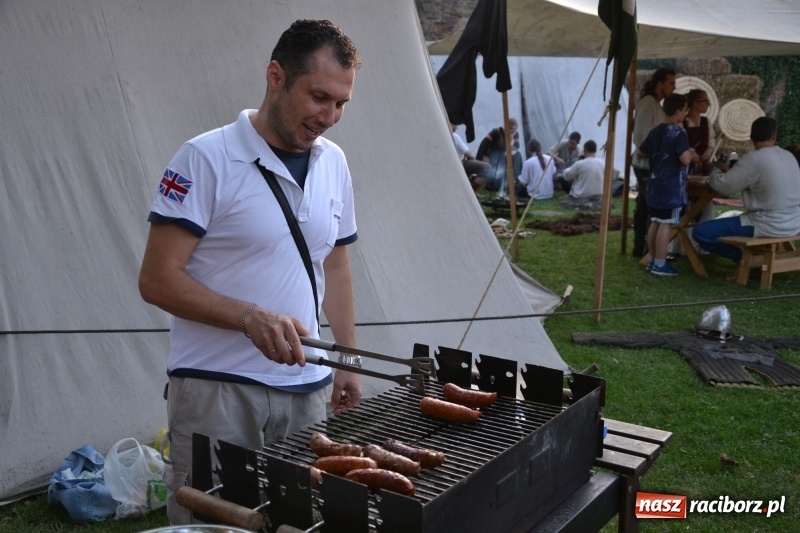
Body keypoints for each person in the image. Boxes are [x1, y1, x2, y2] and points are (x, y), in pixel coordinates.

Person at [137, 19, 362, 525]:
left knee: (299, 523)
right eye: (319, 97)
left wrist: (345, 355)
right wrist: (249, 318)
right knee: (215, 524)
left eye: (342, 103)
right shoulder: (203, 158)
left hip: (308, 389)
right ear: (276, 76)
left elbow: (335, 262)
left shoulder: (335, 163)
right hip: (218, 391)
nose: (330, 116)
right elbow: (156, 278)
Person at [693, 117, 800, 263]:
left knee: (701, 232)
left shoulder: (752, 159)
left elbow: (723, 186)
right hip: (794, 222)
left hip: (767, 224)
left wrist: (714, 169)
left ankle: (747, 261)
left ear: (751, 137)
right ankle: (751, 260)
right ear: (774, 135)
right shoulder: (789, 156)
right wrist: (733, 171)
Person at [636, 93, 697, 276]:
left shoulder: (656, 131)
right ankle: (661, 265)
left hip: (655, 184)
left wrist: (659, 153)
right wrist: (692, 153)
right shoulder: (679, 132)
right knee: (666, 224)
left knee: (656, 221)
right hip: (671, 187)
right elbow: (685, 159)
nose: (686, 113)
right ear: (678, 111)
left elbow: (640, 151)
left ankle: (654, 260)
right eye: (685, 110)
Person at [631, 67, 677, 257]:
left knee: (645, 207)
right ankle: (645, 249)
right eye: (671, 83)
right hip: (646, 165)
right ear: (660, 85)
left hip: (651, 165)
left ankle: (643, 248)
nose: (674, 87)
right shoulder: (649, 104)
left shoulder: (654, 104)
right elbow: (642, 138)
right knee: (650, 208)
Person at [476, 118, 522, 198]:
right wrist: (482, 157)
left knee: (517, 157)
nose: (513, 131)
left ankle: (511, 183)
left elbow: (517, 146)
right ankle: (492, 185)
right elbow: (484, 144)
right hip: (494, 154)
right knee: (498, 167)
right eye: (511, 129)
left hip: (504, 154)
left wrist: (512, 144)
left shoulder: (515, 134)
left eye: (515, 129)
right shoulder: (496, 132)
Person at [683, 89, 716, 176]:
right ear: (695, 103)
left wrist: (709, 151)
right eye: (705, 101)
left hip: (702, 168)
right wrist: (691, 153)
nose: (708, 104)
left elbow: (711, 139)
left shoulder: (706, 121)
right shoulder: (682, 123)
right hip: (686, 168)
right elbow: (679, 142)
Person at [451, 122, 491, 189]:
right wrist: (473, 158)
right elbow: (467, 153)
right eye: (454, 124)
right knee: (486, 168)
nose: (457, 126)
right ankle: (472, 191)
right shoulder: (454, 136)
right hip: (460, 163)